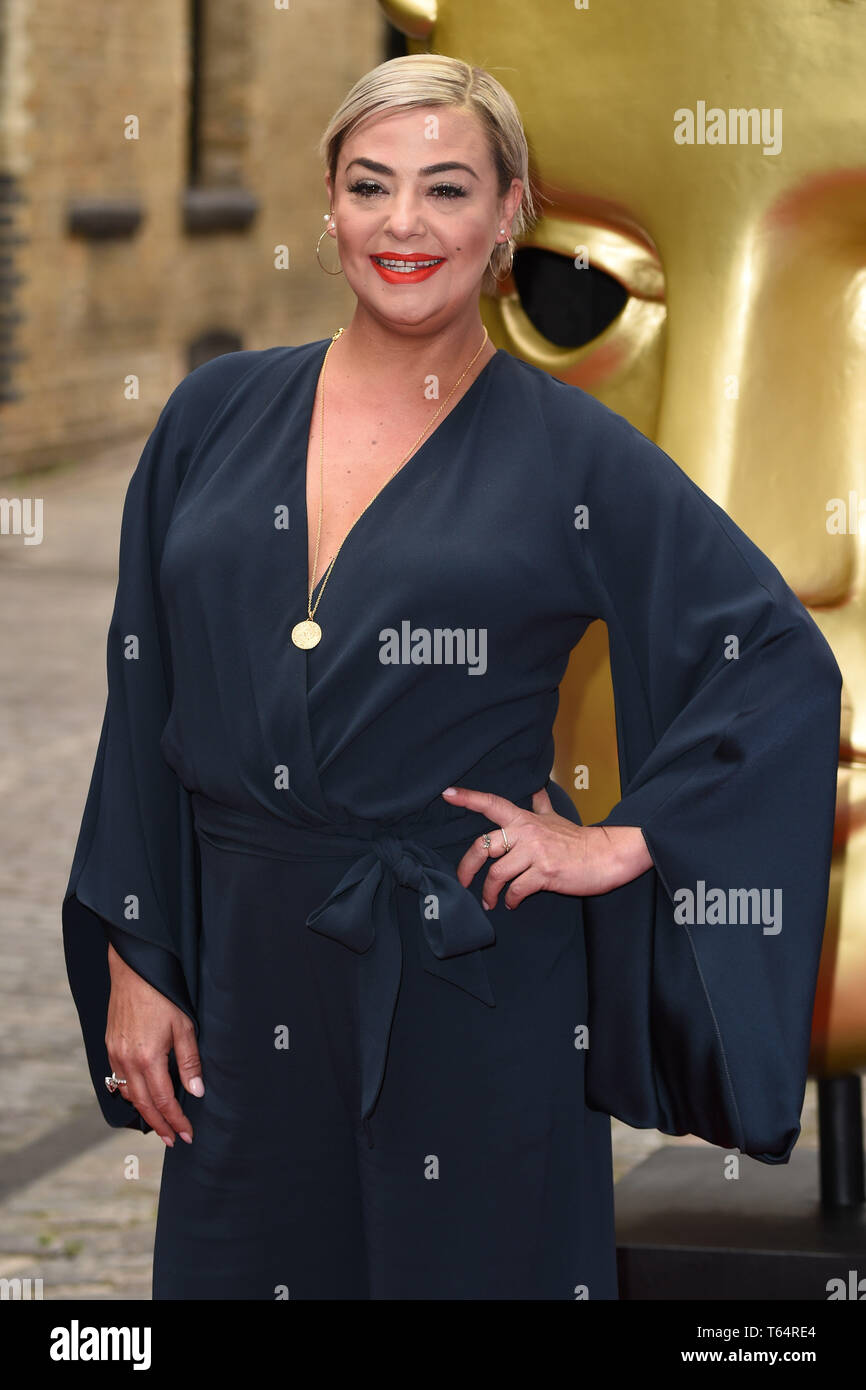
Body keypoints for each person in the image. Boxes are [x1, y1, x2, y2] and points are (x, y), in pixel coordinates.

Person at [62, 54, 842, 1301]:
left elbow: (772, 657)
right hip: (250, 967)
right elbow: (141, 698)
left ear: (509, 211)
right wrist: (137, 957)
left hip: (468, 971)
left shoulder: (573, 451)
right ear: (328, 206)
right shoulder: (211, 416)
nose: (405, 224)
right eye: (371, 187)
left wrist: (627, 837)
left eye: (445, 188)